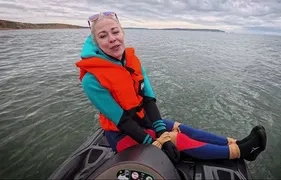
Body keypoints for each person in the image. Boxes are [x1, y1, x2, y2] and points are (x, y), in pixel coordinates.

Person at [75, 11, 267, 163]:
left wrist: (160, 130)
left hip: (143, 120)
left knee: (181, 128)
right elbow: (122, 120)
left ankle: (233, 142)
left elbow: (148, 99)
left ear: (122, 33)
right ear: (97, 43)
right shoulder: (91, 79)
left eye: (115, 32)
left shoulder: (132, 60)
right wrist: (158, 141)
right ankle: (240, 152)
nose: (112, 39)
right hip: (121, 134)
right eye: (103, 36)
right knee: (174, 139)